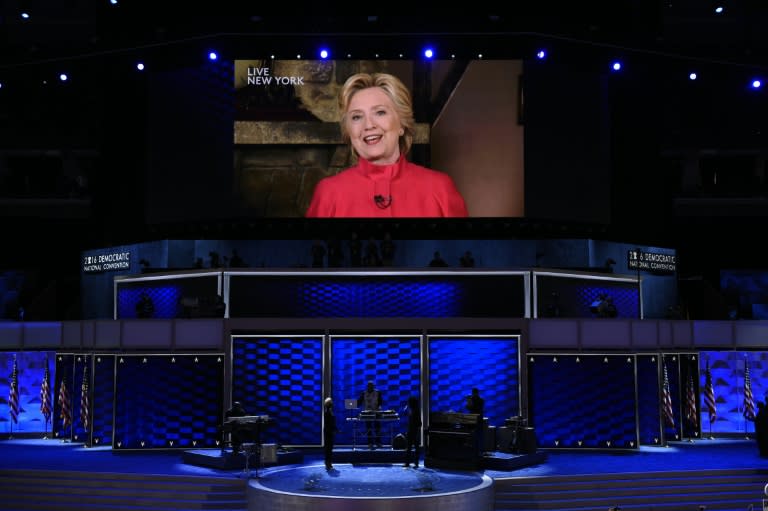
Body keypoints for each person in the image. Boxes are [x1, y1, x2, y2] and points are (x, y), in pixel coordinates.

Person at [305, 72, 468, 218]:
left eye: (380, 112)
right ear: (348, 131)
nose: (368, 125)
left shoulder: (439, 188)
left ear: (402, 125)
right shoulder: (328, 193)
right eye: (356, 117)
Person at [358, 380, 383, 449]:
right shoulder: (364, 393)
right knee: (369, 429)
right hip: (367, 413)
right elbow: (359, 402)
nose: (370, 387)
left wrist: (378, 407)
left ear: (373, 386)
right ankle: (370, 443)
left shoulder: (378, 392)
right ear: (367, 387)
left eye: (372, 386)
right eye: (369, 386)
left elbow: (381, 401)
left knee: (377, 428)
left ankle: (378, 442)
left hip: (376, 412)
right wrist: (352, 404)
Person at [403, 395, 421, 468]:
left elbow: (419, 422)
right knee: (410, 447)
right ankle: (410, 463)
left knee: (413, 447)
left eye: (409, 402)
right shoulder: (413, 410)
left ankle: (414, 463)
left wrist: (417, 432)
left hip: (414, 431)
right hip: (411, 431)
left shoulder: (416, 410)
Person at [323, 397, 338, 470]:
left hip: (330, 432)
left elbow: (332, 423)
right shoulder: (327, 413)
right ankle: (327, 463)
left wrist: (335, 429)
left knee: (329, 448)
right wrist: (333, 430)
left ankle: (328, 462)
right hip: (328, 432)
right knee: (328, 448)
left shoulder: (330, 412)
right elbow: (329, 424)